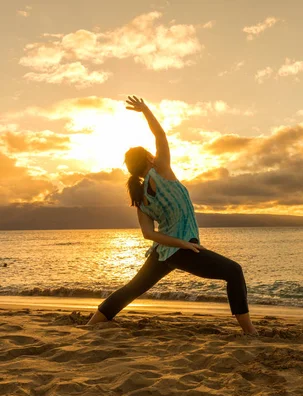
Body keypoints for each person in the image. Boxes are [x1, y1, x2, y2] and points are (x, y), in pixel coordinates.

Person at [87, 95, 258, 335]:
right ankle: (250, 331)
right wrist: (145, 110)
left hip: (164, 252)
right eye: (151, 154)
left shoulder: (140, 196)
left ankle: (93, 323)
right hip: (181, 249)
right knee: (234, 271)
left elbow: (149, 234)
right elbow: (161, 135)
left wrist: (176, 244)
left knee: (134, 287)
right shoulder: (163, 171)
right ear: (149, 158)